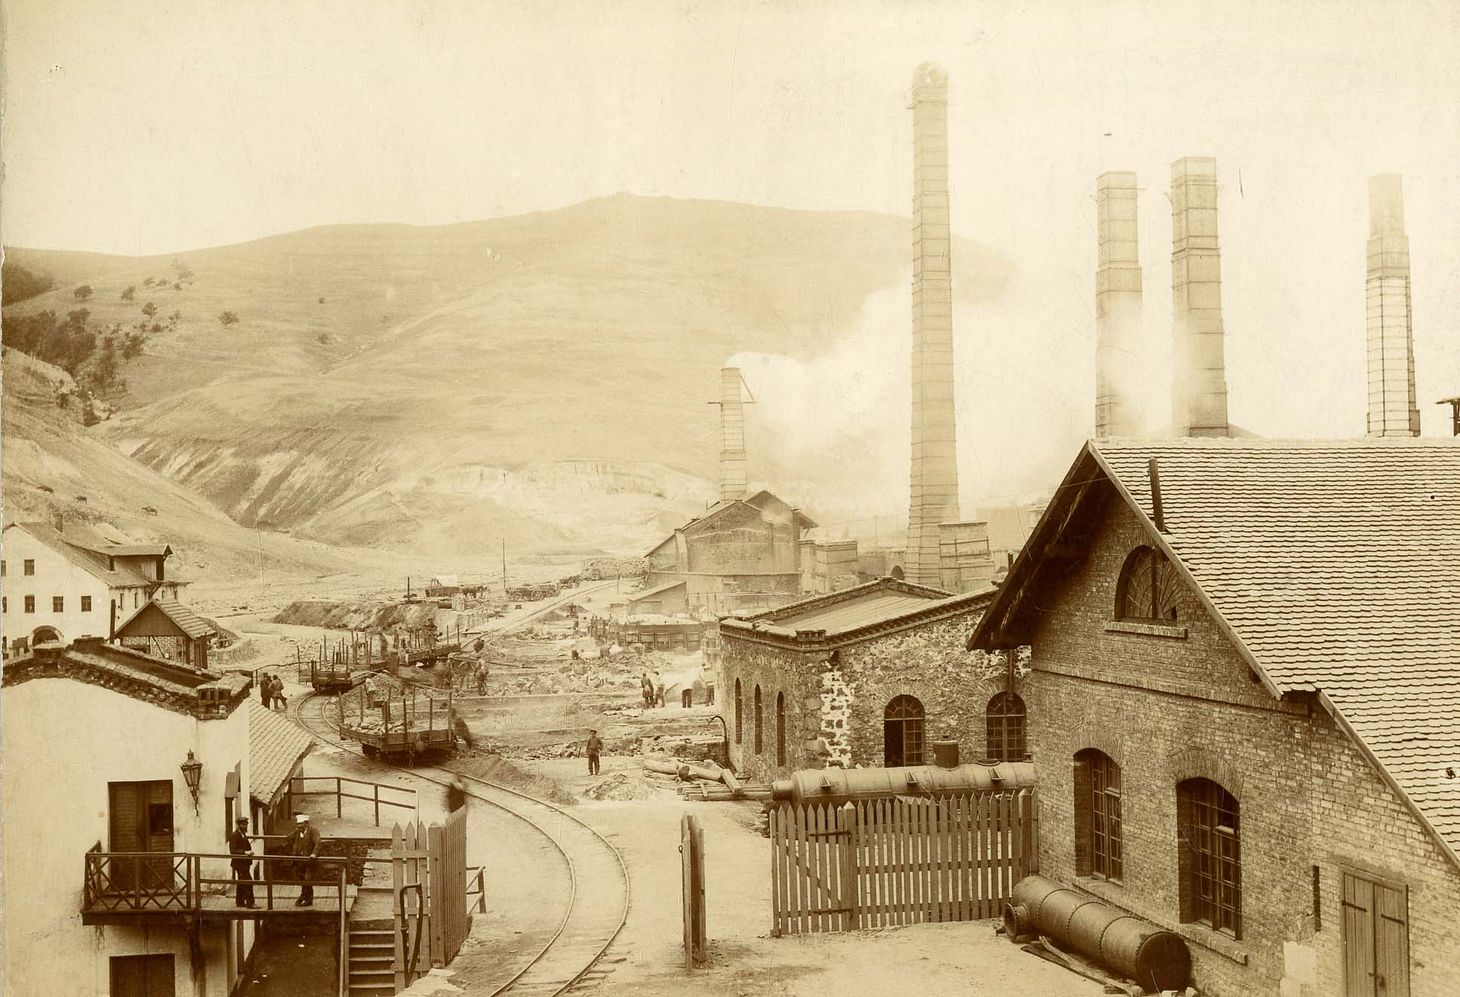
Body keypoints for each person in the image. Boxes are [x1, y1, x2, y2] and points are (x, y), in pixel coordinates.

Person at [286, 813, 321, 906]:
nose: (299, 826)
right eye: (298, 824)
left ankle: (302, 898)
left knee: (307, 880)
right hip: (299, 861)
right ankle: (308, 900)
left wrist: (314, 853)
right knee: (302, 880)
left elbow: (318, 843)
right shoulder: (298, 831)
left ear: (306, 823)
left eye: (301, 824)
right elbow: (288, 838)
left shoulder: (313, 831)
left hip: (309, 861)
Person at [228, 817, 257, 908]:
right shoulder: (234, 835)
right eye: (243, 825)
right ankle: (250, 903)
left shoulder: (242, 834)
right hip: (239, 864)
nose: (245, 826)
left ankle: (239, 902)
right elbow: (233, 850)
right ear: (239, 825)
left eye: (246, 824)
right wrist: (245, 852)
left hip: (244, 863)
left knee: (241, 882)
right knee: (248, 882)